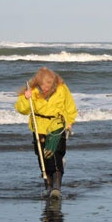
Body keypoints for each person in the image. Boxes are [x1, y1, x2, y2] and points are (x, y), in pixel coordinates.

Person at [15, 67, 78, 198]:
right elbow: (22, 110)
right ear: (38, 83)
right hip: (39, 126)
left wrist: (70, 121)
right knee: (43, 157)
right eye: (43, 86)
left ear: (53, 82)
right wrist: (26, 99)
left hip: (57, 125)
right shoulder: (31, 91)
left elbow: (70, 105)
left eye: (49, 85)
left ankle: (56, 187)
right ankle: (48, 185)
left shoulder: (61, 88)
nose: (46, 88)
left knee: (55, 155)